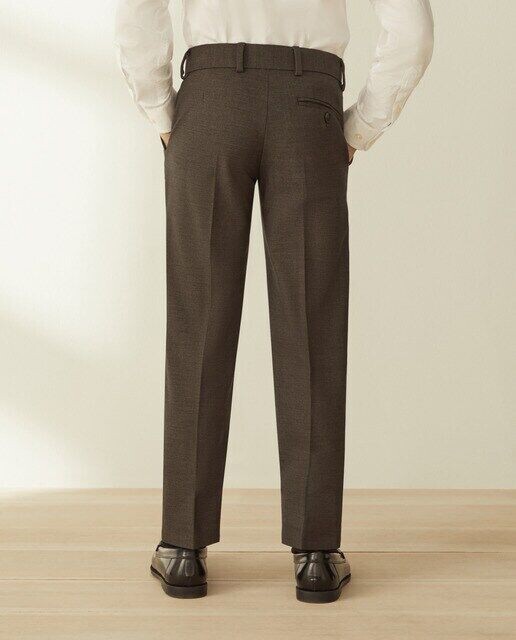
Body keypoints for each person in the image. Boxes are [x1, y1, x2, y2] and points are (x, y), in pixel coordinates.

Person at [114, 0, 433, 603]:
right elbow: (412, 29)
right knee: (313, 324)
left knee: (198, 322)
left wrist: (159, 105)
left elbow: (137, 8)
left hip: (210, 99)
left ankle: (182, 548)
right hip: (309, 105)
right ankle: (316, 554)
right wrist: (361, 127)